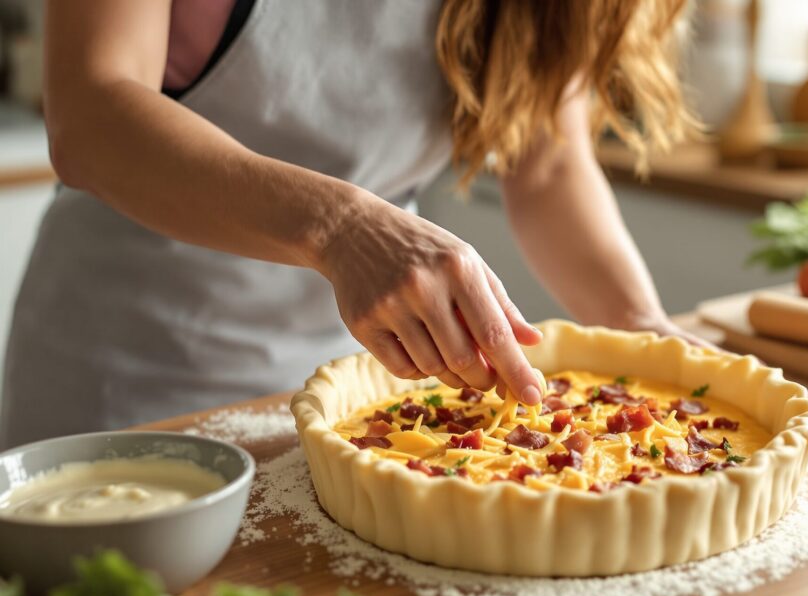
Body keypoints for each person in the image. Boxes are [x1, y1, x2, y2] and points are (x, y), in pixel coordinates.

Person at [0, 0, 702, 450]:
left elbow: (548, 167)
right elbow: (91, 111)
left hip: (361, 392)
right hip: (128, 382)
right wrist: (340, 224)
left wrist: (638, 320)